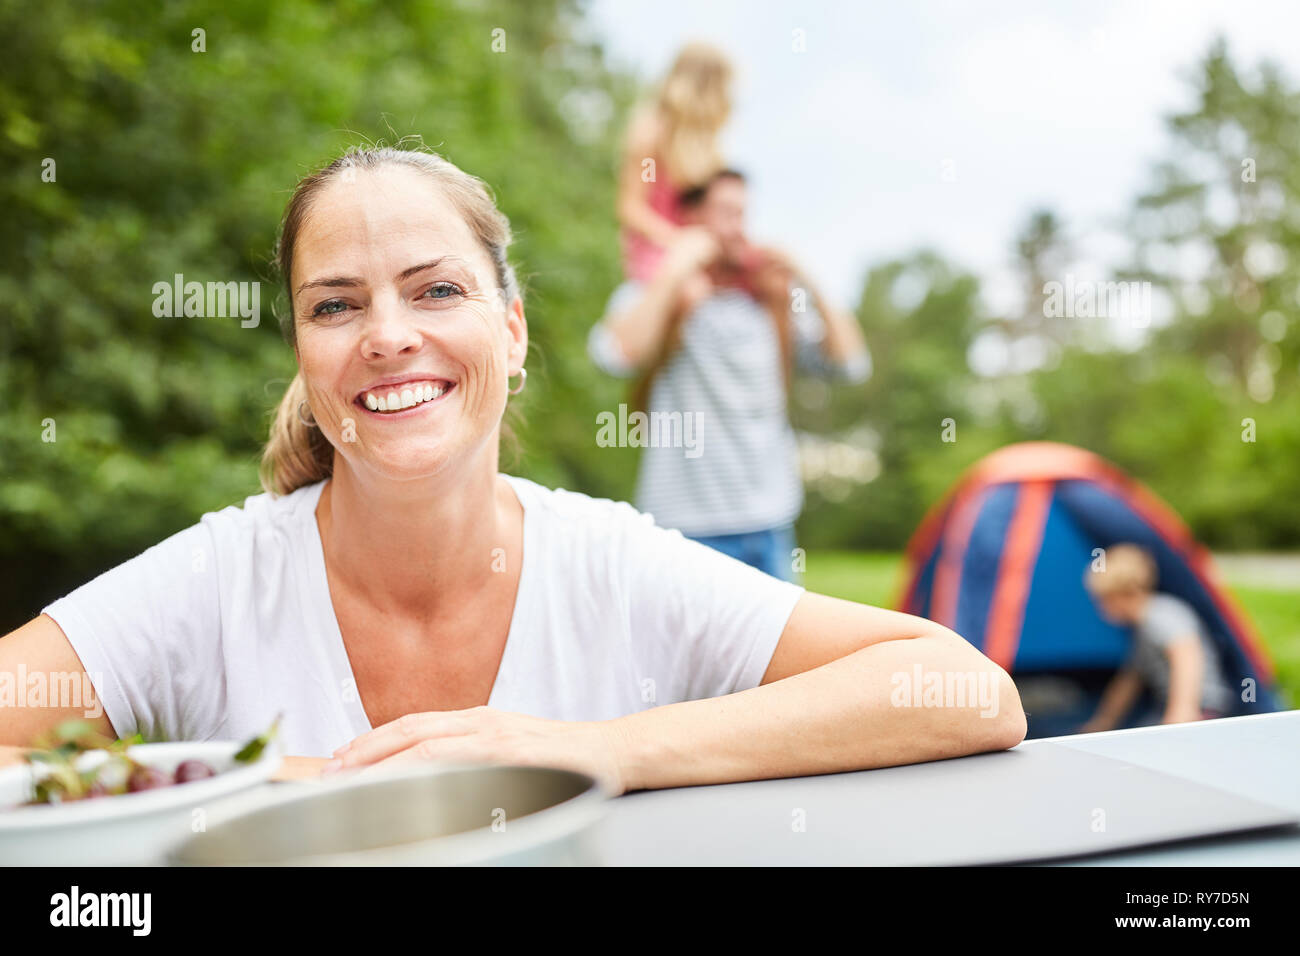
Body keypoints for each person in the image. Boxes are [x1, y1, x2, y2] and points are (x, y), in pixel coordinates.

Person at [0, 146, 1024, 793]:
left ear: (513, 328)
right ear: (303, 354)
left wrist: (590, 751)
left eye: (435, 288)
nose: (387, 335)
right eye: (335, 303)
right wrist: (266, 779)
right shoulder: (223, 576)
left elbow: (965, 692)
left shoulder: (608, 565)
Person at [588, 168, 871, 581]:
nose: (740, 228)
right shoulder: (653, 292)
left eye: (744, 214)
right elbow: (613, 354)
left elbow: (852, 363)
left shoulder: (770, 302)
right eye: (726, 213)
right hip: (682, 528)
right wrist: (676, 270)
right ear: (690, 221)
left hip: (770, 524)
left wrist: (806, 276)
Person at [1080, 543, 1234, 732]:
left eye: (1103, 600)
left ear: (1122, 594)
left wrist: (1181, 712)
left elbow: (1187, 656)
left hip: (1203, 708)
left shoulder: (1160, 614)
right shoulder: (1141, 629)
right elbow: (1130, 680)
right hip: (1167, 706)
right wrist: (1105, 720)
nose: (1100, 608)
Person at [617, 42, 733, 283]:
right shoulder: (652, 134)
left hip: (696, 250)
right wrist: (679, 241)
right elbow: (632, 208)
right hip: (656, 249)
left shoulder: (707, 146)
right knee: (693, 292)